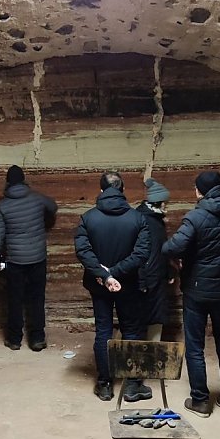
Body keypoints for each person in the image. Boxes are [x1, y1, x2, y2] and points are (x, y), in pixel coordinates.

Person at [162, 170, 220, 417]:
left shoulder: (195, 217)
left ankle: (201, 401)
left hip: (196, 290)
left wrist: (184, 259)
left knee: (195, 346)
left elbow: (174, 246)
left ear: (199, 191)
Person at [75, 171, 151, 402]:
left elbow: (83, 251)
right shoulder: (138, 219)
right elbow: (141, 253)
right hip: (127, 284)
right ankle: (131, 385)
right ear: (123, 189)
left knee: (104, 331)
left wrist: (105, 275)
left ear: (100, 190)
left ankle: (105, 384)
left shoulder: (88, 218)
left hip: (99, 285)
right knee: (132, 331)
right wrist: (116, 273)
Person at [0, 165, 58, 351]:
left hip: (14, 261)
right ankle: (37, 339)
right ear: (24, 179)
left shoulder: (2, 206)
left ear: (8, 182)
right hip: (37, 258)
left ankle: (14, 339)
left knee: (15, 300)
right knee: (37, 299)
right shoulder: (37, 198)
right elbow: (53, 207)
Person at [135, 177, 174, 341]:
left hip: (157, 275)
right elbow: (139, 252)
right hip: (148, 276)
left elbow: (161, 249)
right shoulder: (145, 221)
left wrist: (169, 271)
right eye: (165, 202)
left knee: (156, 316)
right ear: (158, 203)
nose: (167, 205)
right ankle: (143, 351)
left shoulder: (155, 220)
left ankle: (153, 349)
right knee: (143, 316)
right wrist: (141, 279)